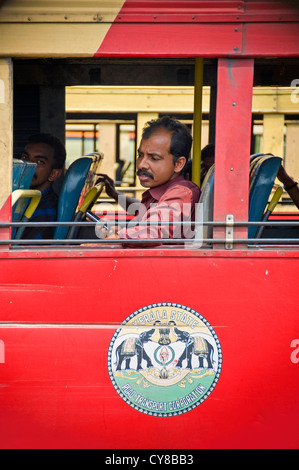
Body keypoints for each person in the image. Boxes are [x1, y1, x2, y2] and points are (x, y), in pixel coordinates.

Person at [97, 116, 200, 243]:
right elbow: (140, 209)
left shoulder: (181, 193)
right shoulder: (161, 191)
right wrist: (114, 194)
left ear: (178, 164)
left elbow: (152, 231)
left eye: (154, 158)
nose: (141, 164)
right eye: (140, 155)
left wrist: (111, 239)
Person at [19, 133, 66, 240]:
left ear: (54, 174)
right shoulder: (25, 201)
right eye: (25, 157)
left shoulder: (44, 213)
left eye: (40, 162)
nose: (27, 165)